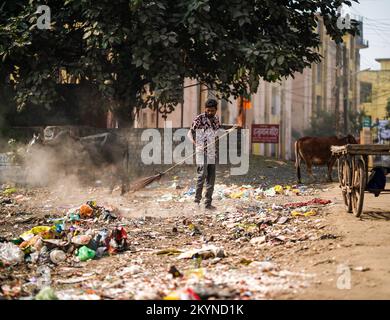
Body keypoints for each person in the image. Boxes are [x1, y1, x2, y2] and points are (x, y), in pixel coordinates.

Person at [187, 98, 221, 210]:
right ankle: (196, 202)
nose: (210, 113)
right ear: (205, 109)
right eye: (208, 110)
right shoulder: (199, 119)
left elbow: (217, 134)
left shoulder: (216, 120)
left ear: (216, 110)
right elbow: (189, 134)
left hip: (212, 152)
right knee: (202, 175)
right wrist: (196, 144)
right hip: (201, 152)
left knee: (211, 179)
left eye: (212, 110)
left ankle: (208, 204)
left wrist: (228, 131)